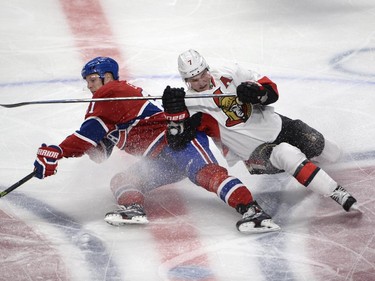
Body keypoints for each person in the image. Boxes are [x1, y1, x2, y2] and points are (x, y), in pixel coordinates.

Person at [33, 56, 281, 234]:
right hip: (160, 159)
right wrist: (62, 153)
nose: (89, 85)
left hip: (179, 142)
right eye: (87, 81)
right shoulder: (108, 105)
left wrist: (59, 151)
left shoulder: (112, 93)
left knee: (207, 175)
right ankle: (133, 208)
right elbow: (97, 151)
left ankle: (253, 211)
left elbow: (88, 133)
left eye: (92, 79)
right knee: (122, 180)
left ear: (107, 77)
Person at [161, 49, 359, 214]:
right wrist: (174, 113)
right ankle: (337, 193)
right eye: (193, 80)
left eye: (202, 74)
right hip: (256, 153)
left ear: (207, 67)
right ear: (185, 80)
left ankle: (312, 169)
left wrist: (259, 93)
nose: (201, 82)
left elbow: (271, 89)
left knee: (327, 150)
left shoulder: (230, 72)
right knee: (286, 154)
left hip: (278, 126)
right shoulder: (191, 105)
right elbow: (177, 141)